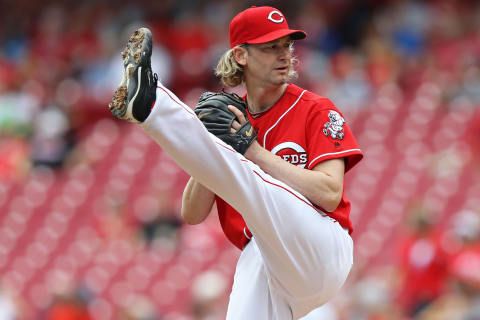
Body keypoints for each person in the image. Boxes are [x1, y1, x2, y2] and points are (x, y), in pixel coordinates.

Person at [108, 6, 363, 320]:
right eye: (271, 47)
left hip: (320, 246)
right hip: (265, 262)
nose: (284, 55)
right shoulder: (230, 119)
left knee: (254, 180)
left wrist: (251, 152)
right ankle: (150, 103)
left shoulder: (315, 109)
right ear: (241, 56)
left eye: (286, 46)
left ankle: (152, 103)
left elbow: (329, 193)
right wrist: (214, 144)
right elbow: (192, 213)